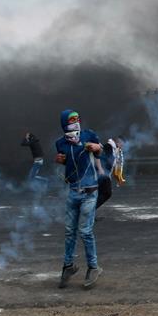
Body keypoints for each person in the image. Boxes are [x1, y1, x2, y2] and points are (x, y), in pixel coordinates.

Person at [54, 110, 103, 288]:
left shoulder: (88, 134)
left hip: (90, 192)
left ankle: (93, 267)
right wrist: (60, 160)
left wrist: (98, 148)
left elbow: (100, 151)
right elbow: (66, 161)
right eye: (71, 120)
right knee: (69, 231)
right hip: (73, 191)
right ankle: (68, 266)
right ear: (64, 123)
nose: (75, 122)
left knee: (85, 231)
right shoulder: (60, 143)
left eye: (77, 119)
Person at [95, 138, 116, 210]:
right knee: (106, 194)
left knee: (99, 194)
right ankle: (90, 212)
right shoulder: (110, 156)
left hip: (99, 176)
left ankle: (91, 212)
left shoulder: (106, 155)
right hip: (101, 177)